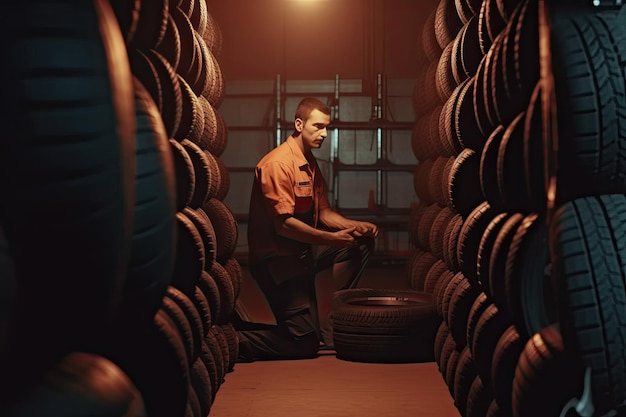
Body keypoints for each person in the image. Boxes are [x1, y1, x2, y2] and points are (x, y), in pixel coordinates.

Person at [235, 97, 378, 361]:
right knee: (303, 343)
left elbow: (324, 212)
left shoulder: (310, 163)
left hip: (301, 258)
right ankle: (232, 340)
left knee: (360, 242)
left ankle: (335, 319)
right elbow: (284, 225)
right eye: (318, 126)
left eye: (327, 127)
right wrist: (331, 239)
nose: (324, 134)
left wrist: (353, 226)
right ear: (299, 124)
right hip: (276, 264)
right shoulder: (277, 165)